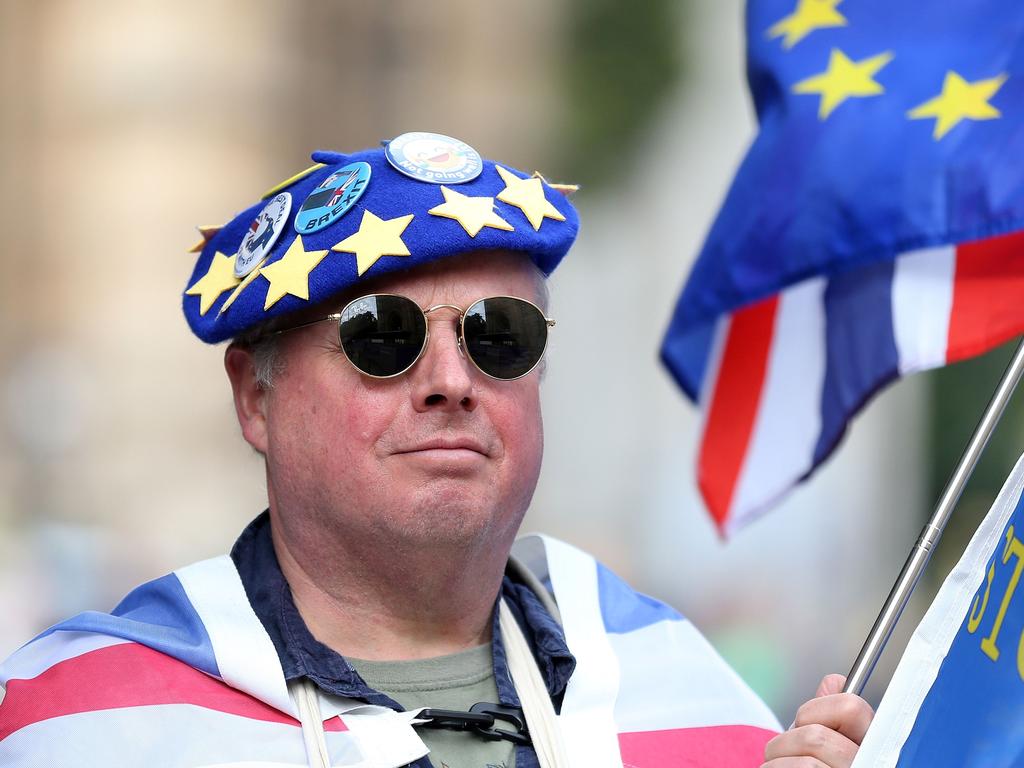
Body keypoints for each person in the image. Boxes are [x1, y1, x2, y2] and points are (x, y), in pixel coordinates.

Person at [0, 134, 873, 767]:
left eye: (501, 335)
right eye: (384, 336)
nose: (451, 380)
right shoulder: (84, 721)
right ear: (254, 397)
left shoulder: (688, 692)